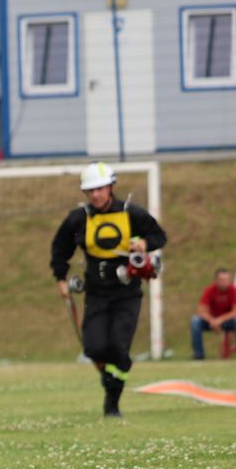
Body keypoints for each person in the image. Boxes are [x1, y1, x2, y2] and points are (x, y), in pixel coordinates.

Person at [49, 161, 167, 418]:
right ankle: (111, 377)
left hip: (127, 292)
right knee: (93, 346)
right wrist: (60, 278)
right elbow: (60, 249)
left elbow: (160, 236)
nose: (95, 195)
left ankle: (112, 402)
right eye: (90, 190)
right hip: (96, 291)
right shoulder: (78, 218)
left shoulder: (131, 213)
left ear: (111, 187)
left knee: (117, 346)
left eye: (100, 189)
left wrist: (144, 243)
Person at [190, 266, 236, 360]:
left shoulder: (233, 290)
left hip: (227, 321)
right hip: (211, 321)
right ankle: (198, 355)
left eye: (226, 279)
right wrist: (212, 320)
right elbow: (200, 310)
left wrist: (220, 320)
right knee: (195, 321)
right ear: (216, 280)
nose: (224, 282)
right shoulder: (209, 290)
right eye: (222, 280)